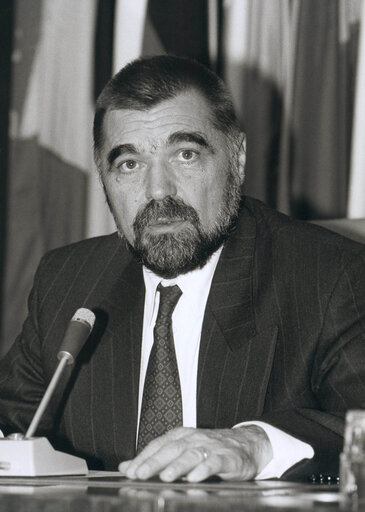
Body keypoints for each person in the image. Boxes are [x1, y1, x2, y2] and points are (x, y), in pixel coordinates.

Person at [0, 55, 364, 483]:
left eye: (185, 154)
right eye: (129, 164)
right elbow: (14, 426)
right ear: (103, 176)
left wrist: (258, 444)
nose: (158, 190)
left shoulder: (329, 274)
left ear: (238, 158)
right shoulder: (67, 280)